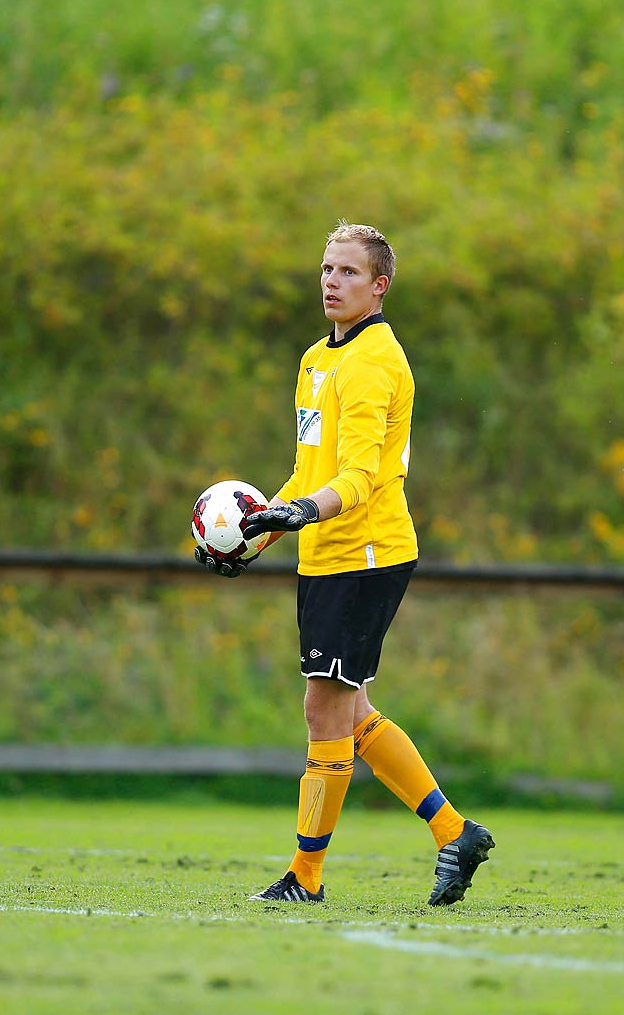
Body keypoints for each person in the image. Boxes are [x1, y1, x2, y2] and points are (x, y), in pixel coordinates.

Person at [195, 221, 494, 906]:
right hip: (329, 551)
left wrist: (305, 514)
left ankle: (305, 877)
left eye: (349, 273)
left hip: (366, 553)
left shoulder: (374, 364)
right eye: (326, 269)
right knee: (351, 710)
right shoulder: (315, 359)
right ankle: (455, 831)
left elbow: (359, 478)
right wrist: (254, 537)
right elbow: (309, 471)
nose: (332, 281)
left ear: (379, 286)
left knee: (323, 710)